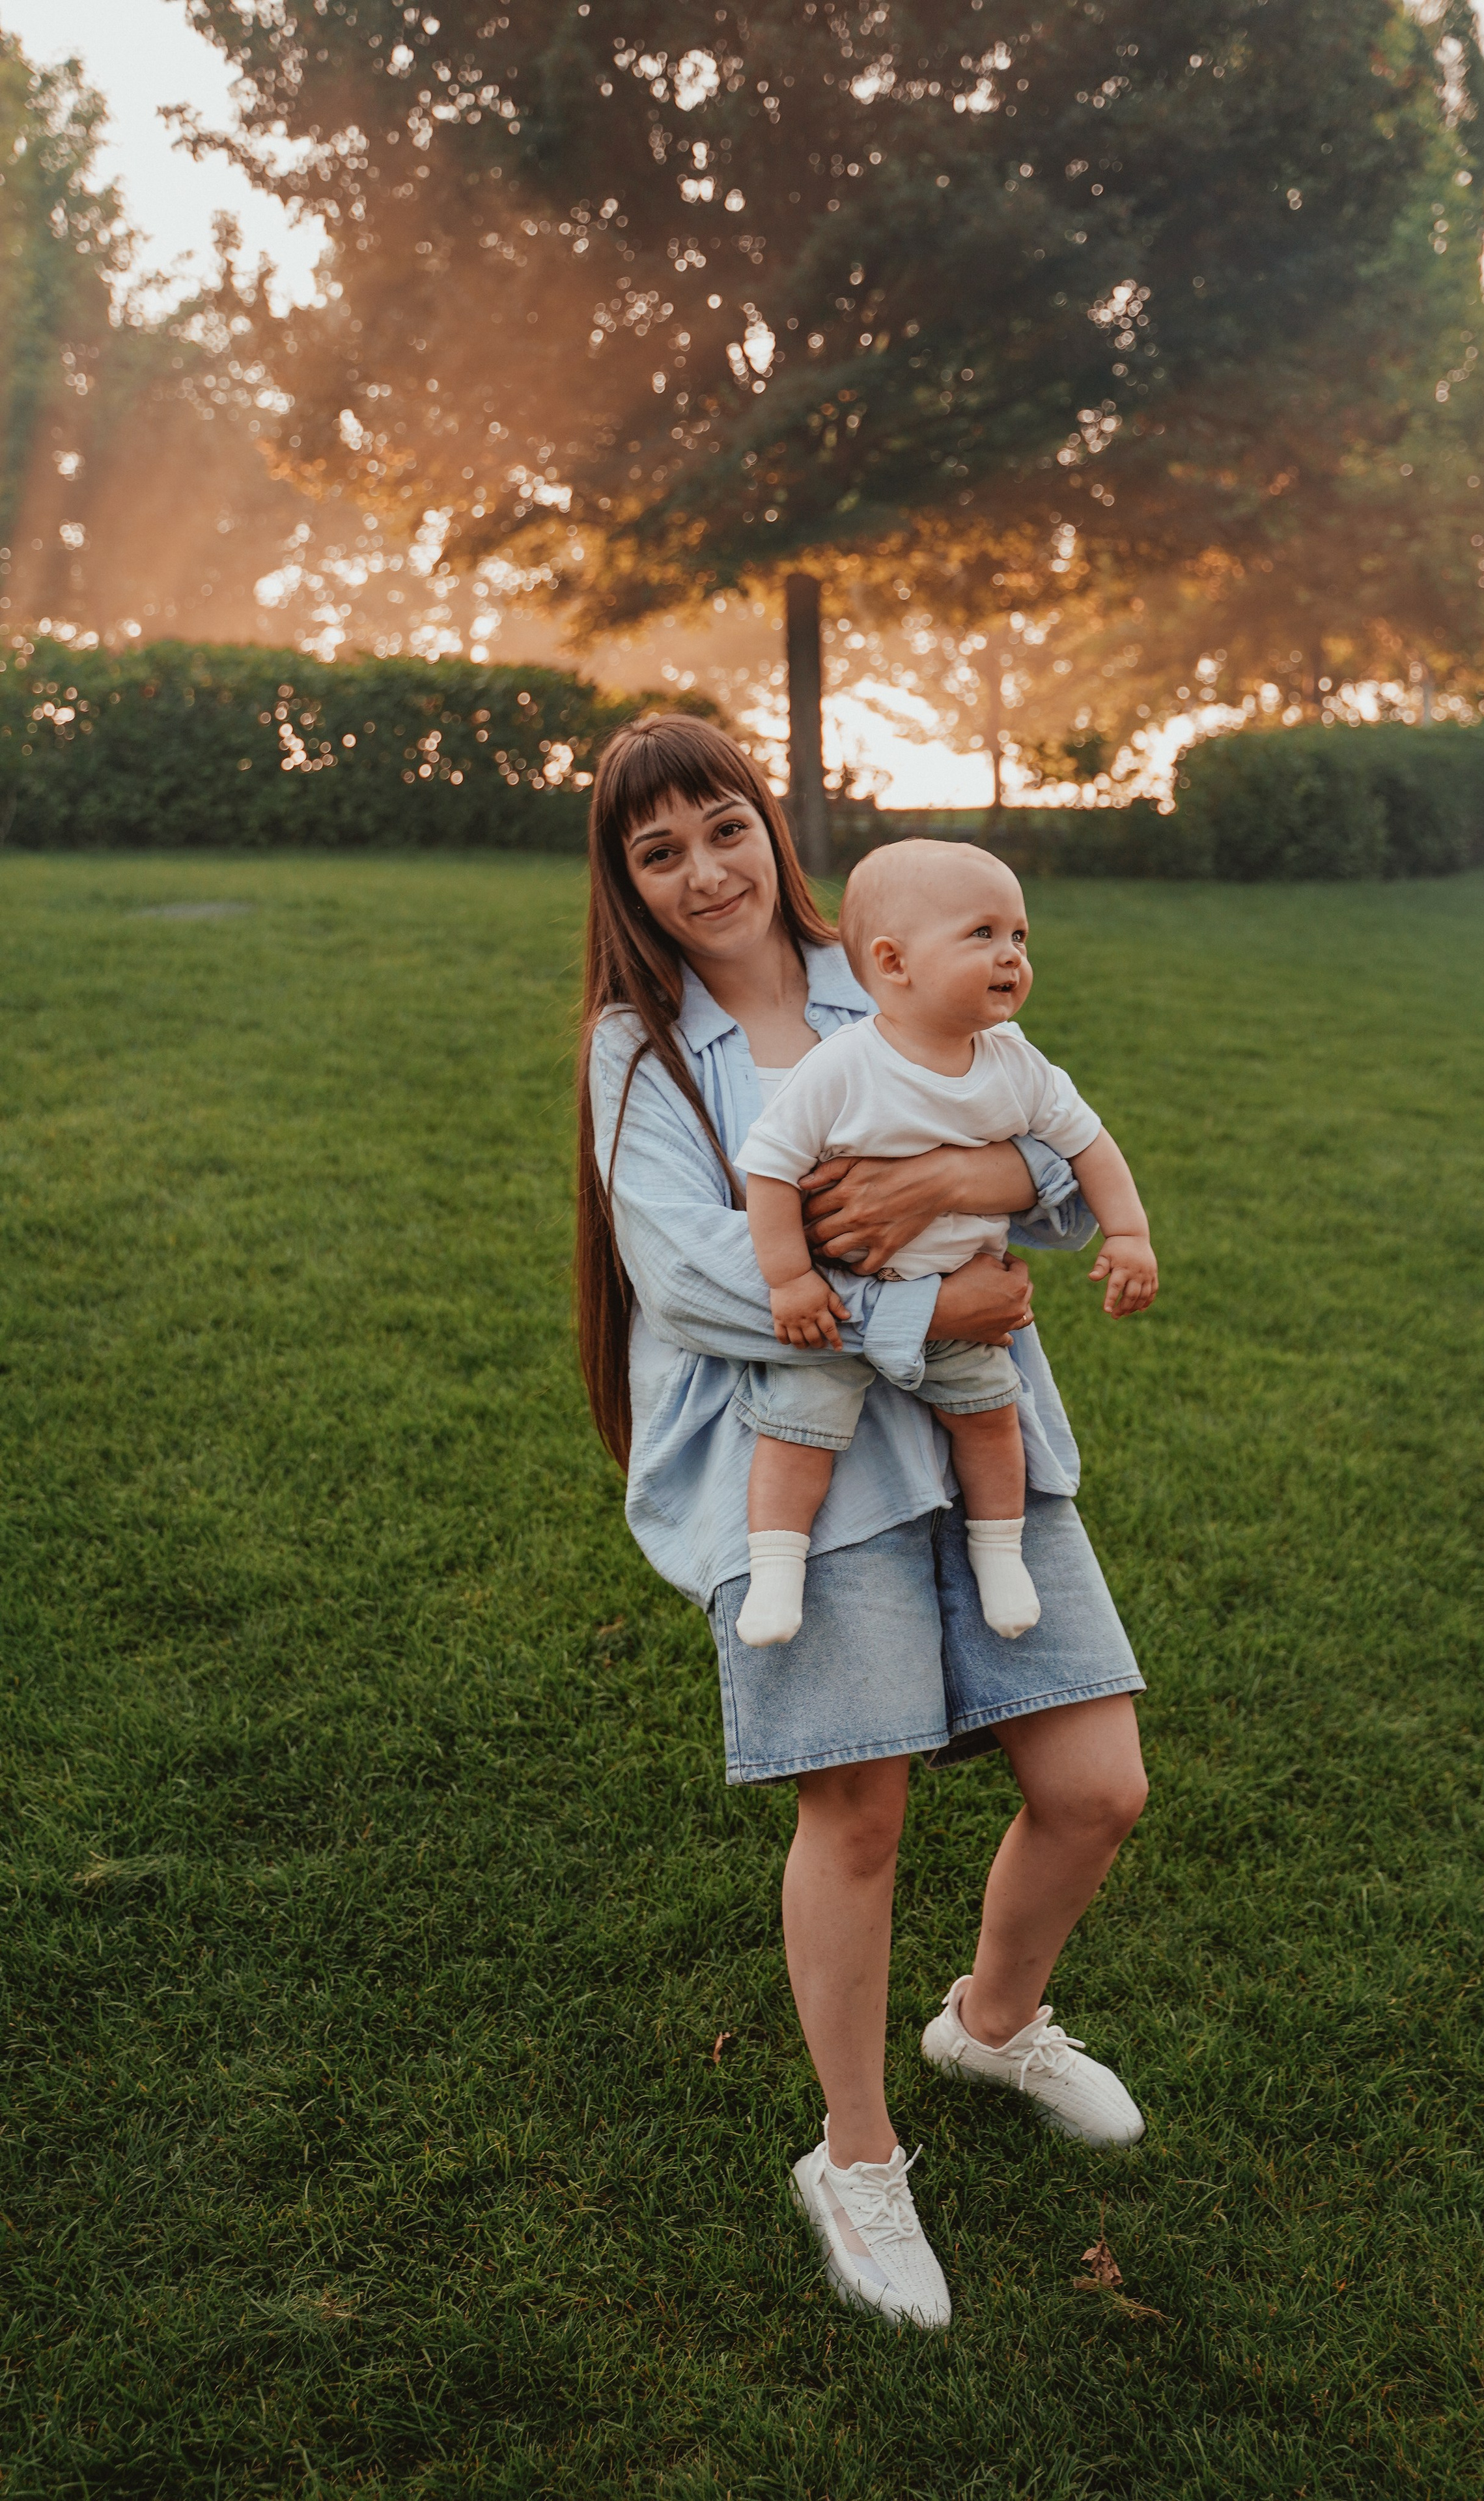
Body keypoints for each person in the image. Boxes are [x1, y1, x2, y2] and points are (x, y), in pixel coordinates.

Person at [576, 713, 1153, 2334]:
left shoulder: (887, 961)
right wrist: (920, 1301)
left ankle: (987, 2019)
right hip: (798, 1453)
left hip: (983, 1440)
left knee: (1096, 1783)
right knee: (859, 1812)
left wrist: (931, 1185)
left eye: (722, 827)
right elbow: (692, 1278)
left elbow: (1047, 1162)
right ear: (624, 881)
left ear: (773, 824)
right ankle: (853, 2150)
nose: (703, 870)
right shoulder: (638, 1050)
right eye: (656, 849)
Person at [733, 838, 1158, 1650]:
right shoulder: (839, 1068)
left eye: (1019, 936)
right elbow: (771, 1173)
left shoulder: (1016, 1064)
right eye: (982, 934)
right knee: (795, 1433)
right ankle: (775, 1571)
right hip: (841, 1299)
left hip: (964, 1305)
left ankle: (999, 1554)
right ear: (894, 963)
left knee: (992, 1425)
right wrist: (790, 1282)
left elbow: (1089, 1145)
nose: (1011, 955)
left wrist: (1129, 1234)